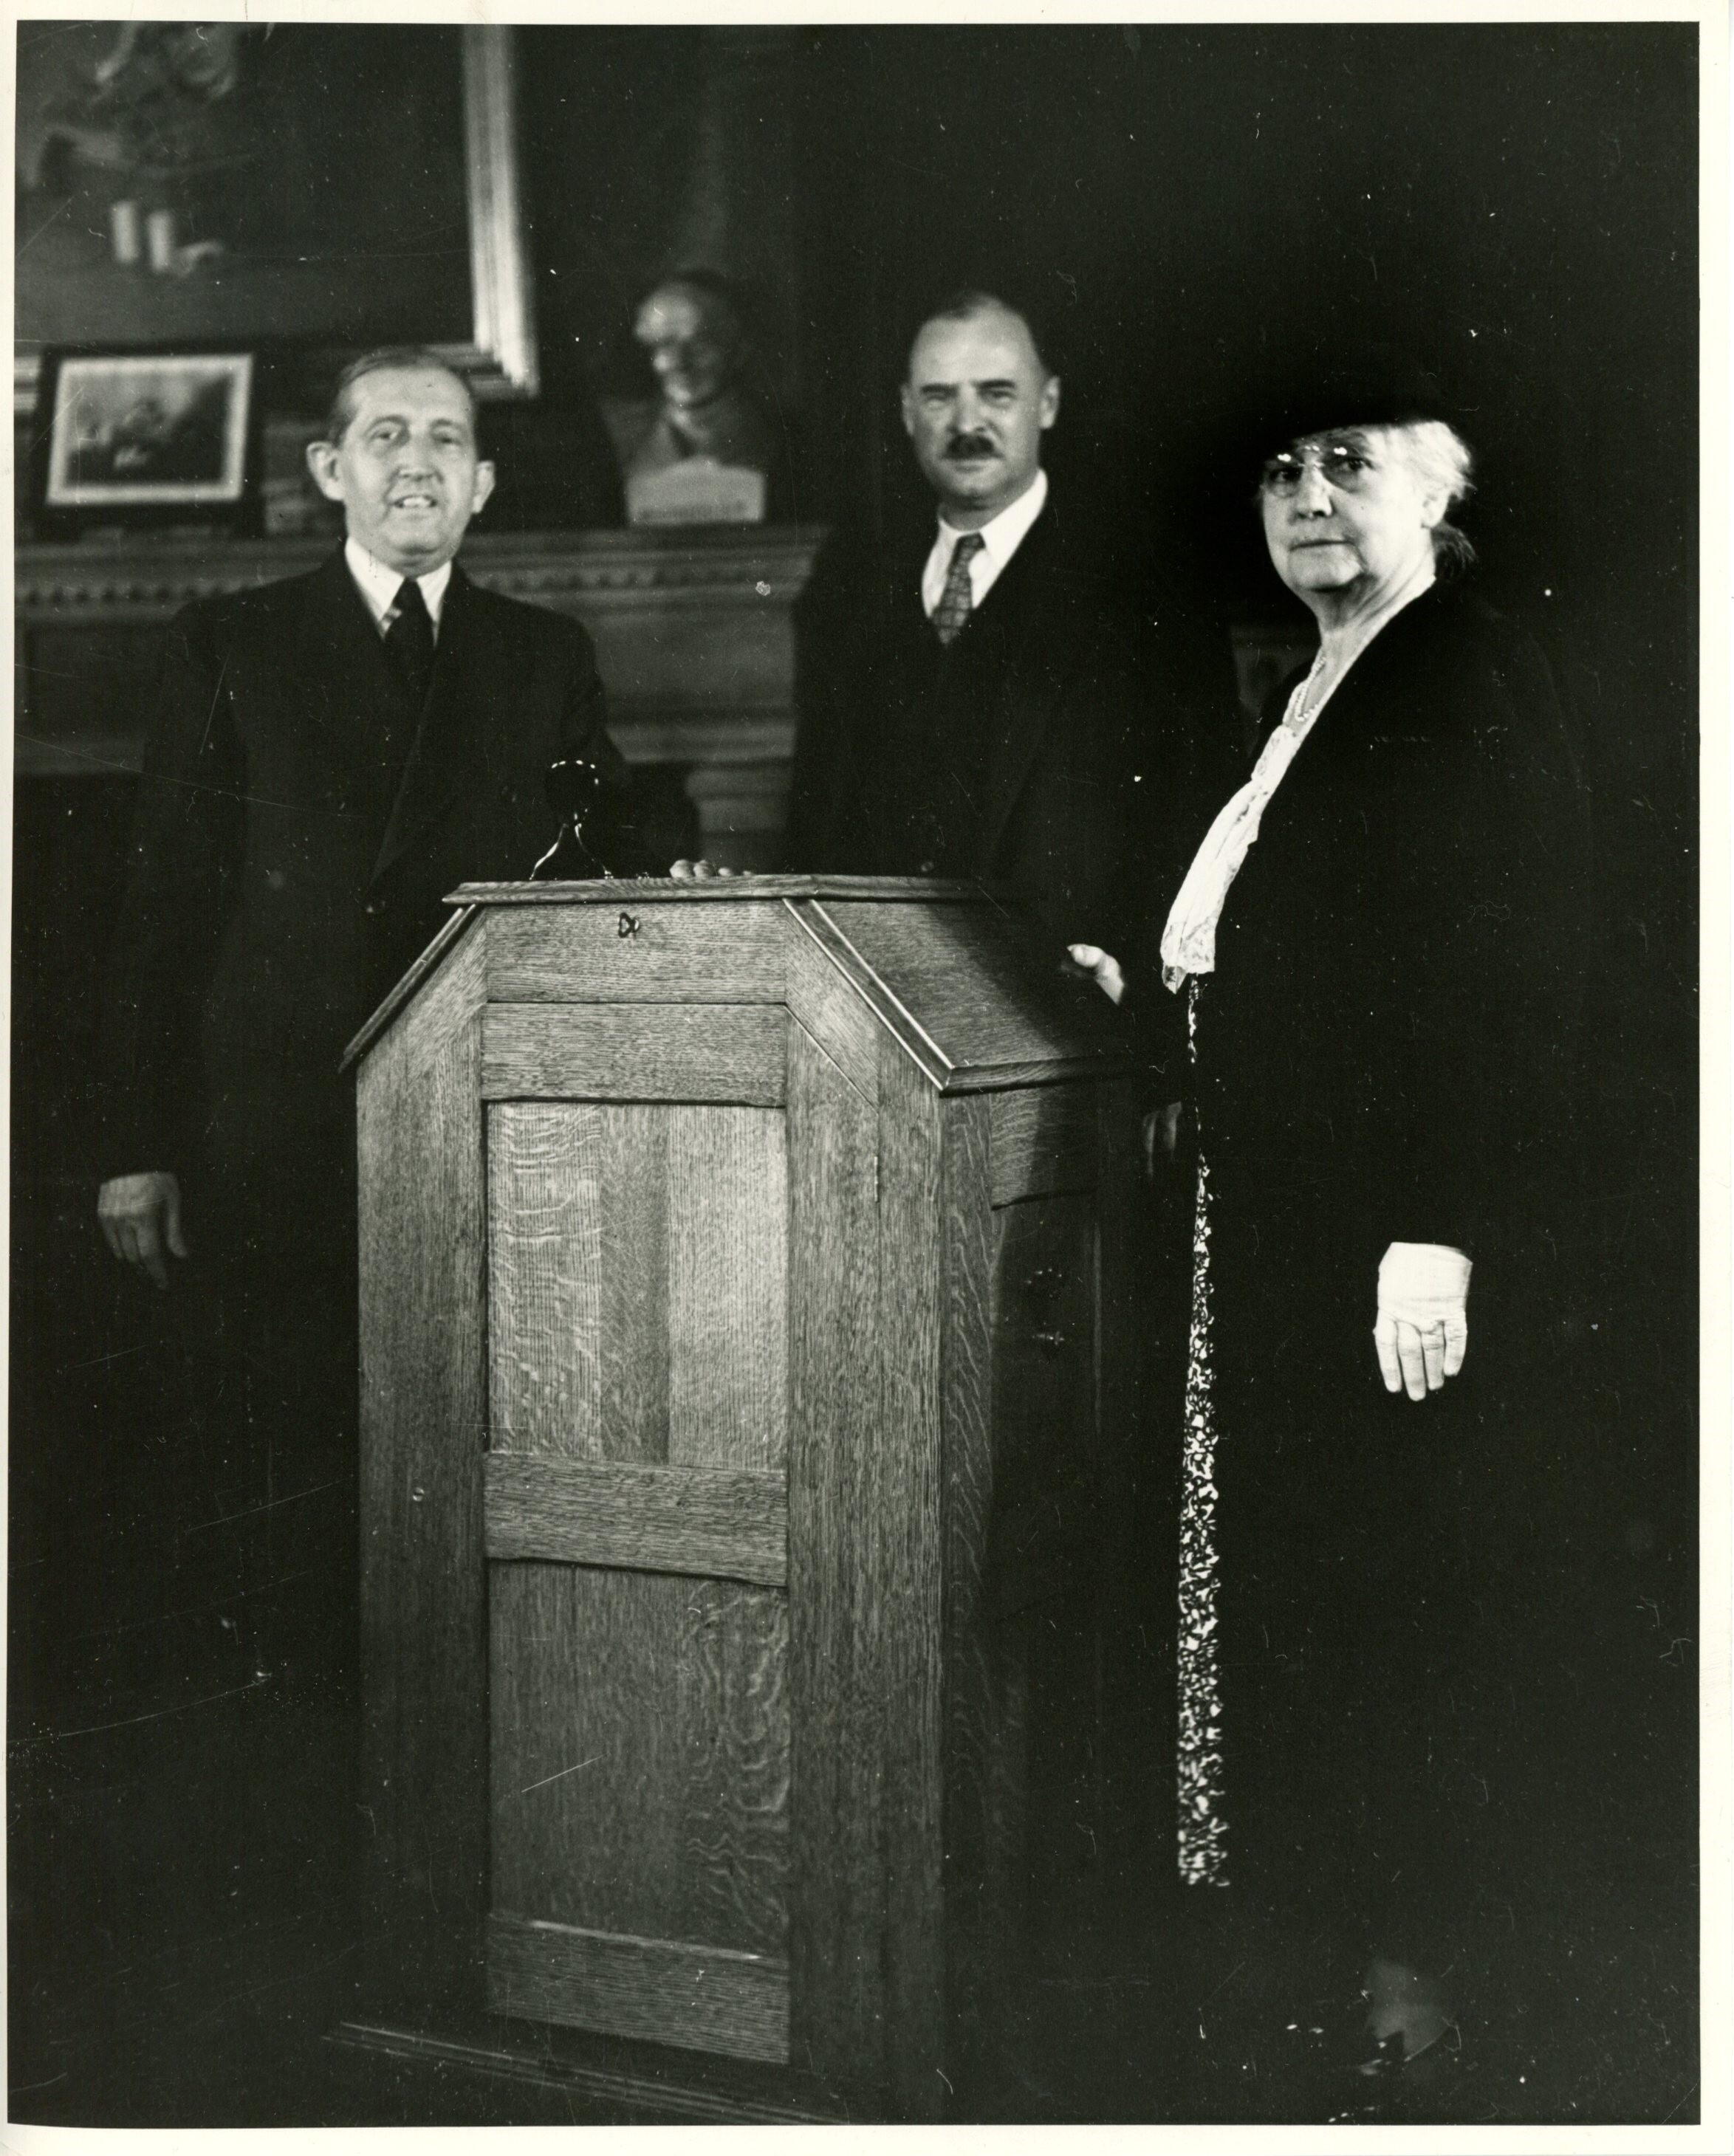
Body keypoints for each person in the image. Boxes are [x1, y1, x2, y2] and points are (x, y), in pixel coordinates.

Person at [1154, 390, 1588, 2096]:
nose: (1308, 498)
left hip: (1385, 1233)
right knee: (1334, 1583)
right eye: (1279, 469)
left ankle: (1412, 1995)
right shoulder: (1324, 675)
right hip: (1287, 1217)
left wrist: (1438, 1224)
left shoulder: (1463, 664)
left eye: (1349, 464)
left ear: (1434, 491)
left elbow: (1519, 964)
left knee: (1406, 1589)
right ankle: (1340, 1966)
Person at [95, 346, 637, 1683]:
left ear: (484, 482)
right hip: (277, 1123)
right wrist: (134, 1140)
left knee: (458, 1459)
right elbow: (162, 911)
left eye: (447, 439)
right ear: (330, 471)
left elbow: (596, 873)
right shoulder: (230, 643)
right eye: (385, 435)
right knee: (283, 1462)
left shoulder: (543, 656)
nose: (417, 462)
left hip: (472, 1125)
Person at [773, 285, 1238, 983]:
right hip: (882, 1009)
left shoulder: (1145, 584)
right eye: (939, 397)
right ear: (906, 410)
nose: (967, 423)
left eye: (996, 394)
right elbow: (817, 819)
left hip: (1073, 1016)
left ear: (1047, 403)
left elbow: (1203, 819)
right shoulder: (850, 589)